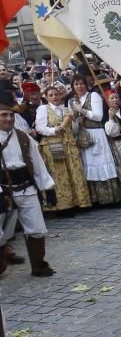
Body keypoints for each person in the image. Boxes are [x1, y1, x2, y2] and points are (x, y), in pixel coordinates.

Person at [0, 93, 57, 278]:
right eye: (3, 115)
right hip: (2, 192)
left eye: (10, 115)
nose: (8, 118)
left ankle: (39, 265)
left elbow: (37, 163)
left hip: (26, 188)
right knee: (1, 233)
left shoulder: (24, 138)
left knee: (37, 228)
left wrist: (47, 187)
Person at [68, 76, 121, 205]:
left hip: (97, 133)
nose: (79, 86)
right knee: (90, 166)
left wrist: (82, 111)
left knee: (104, 163)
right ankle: (97, 198)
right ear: (73, 86)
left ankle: (113, 197)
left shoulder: (94, 96)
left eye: (81, 83)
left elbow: (98, 116)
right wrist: (76, 119)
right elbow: (72, 120)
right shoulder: (71, 101)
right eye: (76, 84)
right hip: (83, 135)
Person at [34, 83, 91, 212]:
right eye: (51, 95)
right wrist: (55, 129)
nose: (55, 97)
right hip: (53, 144)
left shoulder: (66, 110)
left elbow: (73, 129)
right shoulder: (43, 109)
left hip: (69, 144)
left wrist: (76, 122)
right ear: (46, 97)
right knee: (59, 174)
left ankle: (78, 202)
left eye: (57, 94)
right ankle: (63, 206)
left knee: (74, 172)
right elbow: (40, 128)